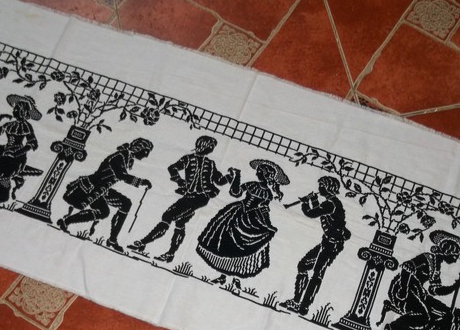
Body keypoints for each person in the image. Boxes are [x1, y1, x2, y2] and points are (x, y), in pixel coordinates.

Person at [128, 135, 233, 262]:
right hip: (190, 195)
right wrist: (180, 181)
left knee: (168, 215)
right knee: (180, 222)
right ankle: (170, 254)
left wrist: (230, 176)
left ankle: (143, 243)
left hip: (200, 197)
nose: (211, 149)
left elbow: (219, 181)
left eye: (212, 147)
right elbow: (172, 168)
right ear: (203, 145)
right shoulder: (188, 159)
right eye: (210, 146)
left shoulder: (210, 163)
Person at [196, 159, 290, 288]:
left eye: (259, 171)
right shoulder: (254, 186)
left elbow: (264, 211)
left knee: (241, 249)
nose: (256, 173)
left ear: (265, 174)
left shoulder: (266, 193)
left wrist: (267, 226)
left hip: (251, 220)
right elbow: (235, 193)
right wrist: (237, 177)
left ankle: (236, 278)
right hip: (236, 214)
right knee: (225, 244)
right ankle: (223, 276)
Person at [382, 230, 460, 330]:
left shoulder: (436, 266)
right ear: (447, 252)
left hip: (418, 291)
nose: (456, 260)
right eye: (455, 256)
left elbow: (434, 290)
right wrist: (403, 290)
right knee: (423, 315)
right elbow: (406, 268)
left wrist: (454, 286)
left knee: (447, 313)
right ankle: (394, 328)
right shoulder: (427, 257)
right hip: (404, 287)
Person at [57, 138, 153, 252]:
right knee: (107, 211)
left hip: (102, 189)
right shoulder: (119, 156)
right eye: (145, 152)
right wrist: (141, 181)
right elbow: (121, 175)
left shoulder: (126, 157)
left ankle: (112, 240)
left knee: (123, 205)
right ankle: (67, 221)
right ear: (138, 148)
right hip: (93, 187)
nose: (146, 155)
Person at [280, 176, 350, 316]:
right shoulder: (330, 203)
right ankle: (297, 301)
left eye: (322, 186)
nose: (319, 188)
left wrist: (305, 203)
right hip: (327, 242)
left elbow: (312, 213)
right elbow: (320, 211)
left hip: (332, 244)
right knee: (303, 266)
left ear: (329, 188)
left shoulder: (332, 204)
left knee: (317, 274)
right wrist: (313, 200)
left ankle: (303, 306)